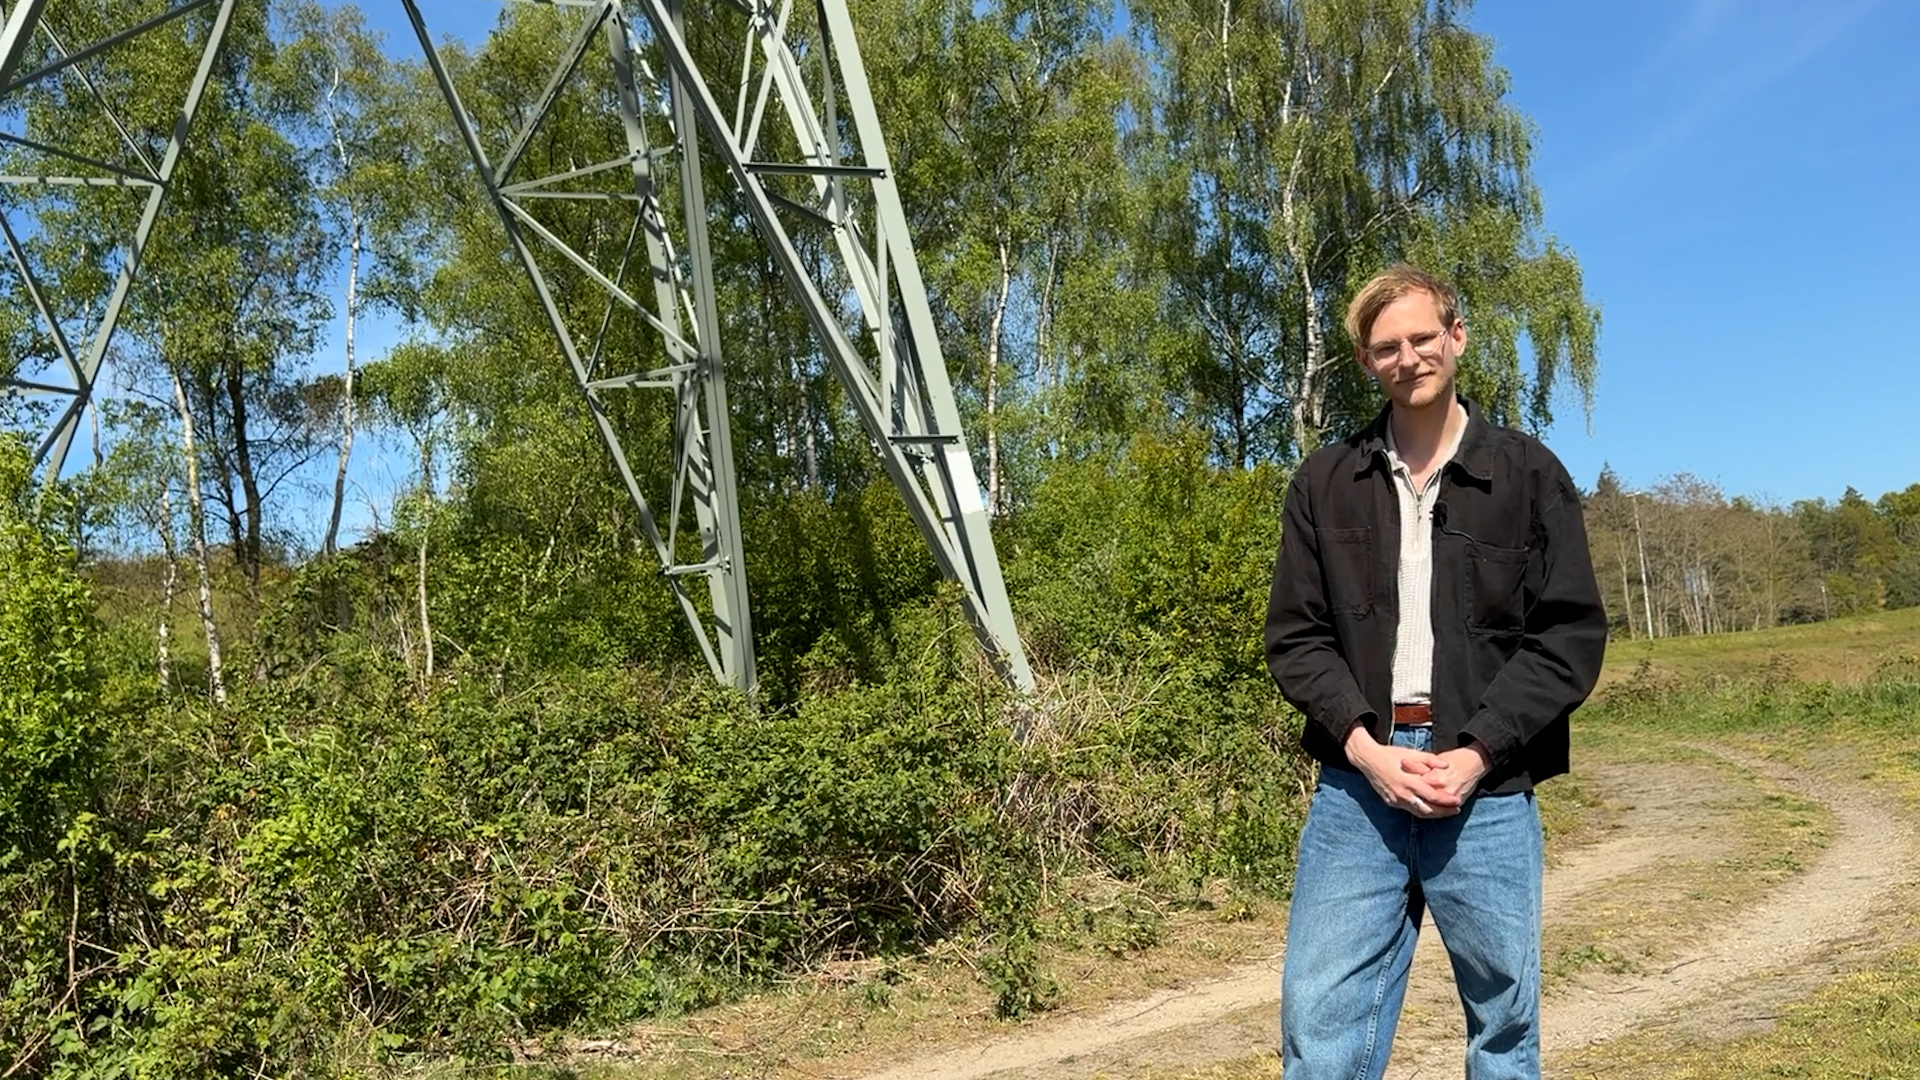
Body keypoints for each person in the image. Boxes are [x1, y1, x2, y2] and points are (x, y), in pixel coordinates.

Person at [1263, 264, 1608, 1079]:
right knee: (1319, 1023)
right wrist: (1367, 750)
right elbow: (1296, 637)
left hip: (1484, 792)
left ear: (1457, 337)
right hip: (1358, 792)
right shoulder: (1324, 483)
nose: (1408, 357)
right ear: (1365, 363)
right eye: (1387, 347)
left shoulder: (1529, 476)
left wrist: (1481, 749)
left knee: (1503, 1023)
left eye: (1423, 337)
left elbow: (1566, 637)